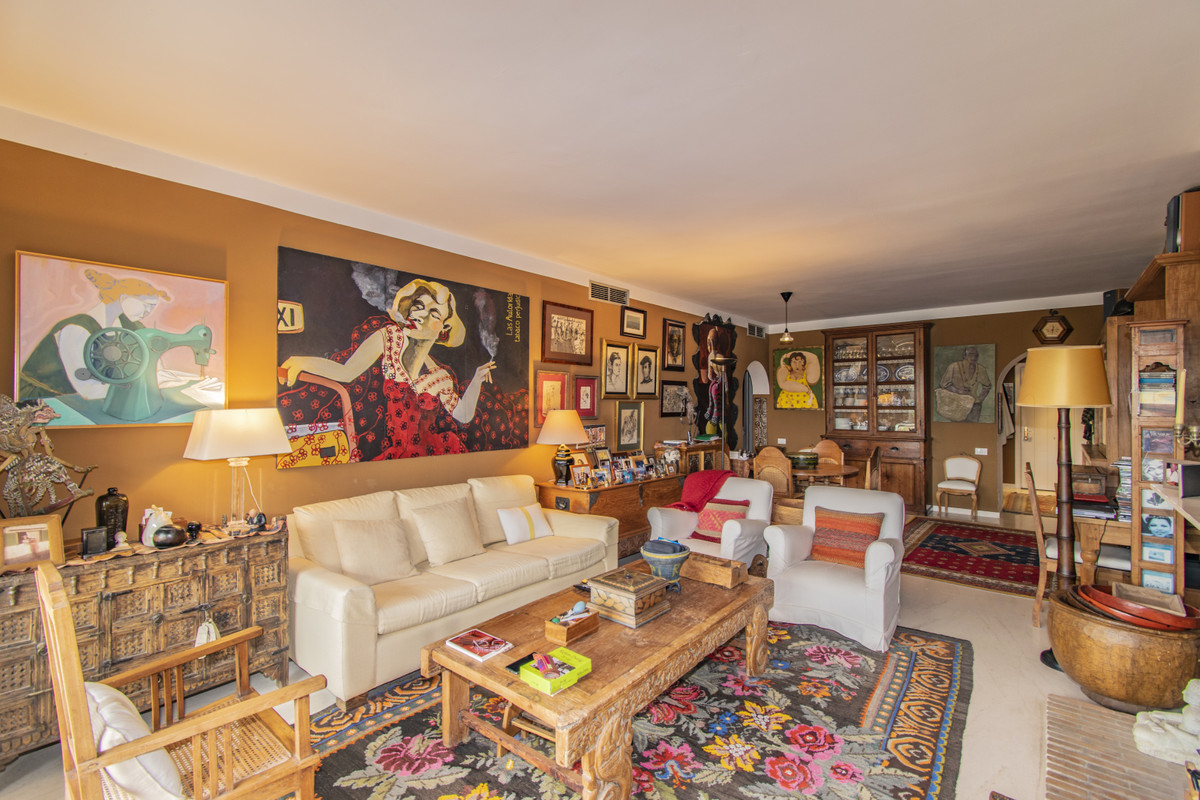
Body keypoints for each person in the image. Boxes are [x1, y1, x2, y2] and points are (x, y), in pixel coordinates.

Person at [280, 279, 495, 459]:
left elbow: (464, 415)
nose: (421, 314)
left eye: (434, 313)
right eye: (418, 305)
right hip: (395, 456)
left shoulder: (440, 377)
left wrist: (477, 379)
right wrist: (302, 362)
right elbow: (346, 372)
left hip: (433, 453)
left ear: (443, 329)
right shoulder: (390, 339)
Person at [20, 268, 172, 401]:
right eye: (146, 305)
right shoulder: (77, 328)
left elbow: (151, 361)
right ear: (124, 297)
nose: (148, 312)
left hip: (94, 397)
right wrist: (143, 385)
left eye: (152, 307)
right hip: (45, 399)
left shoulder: (130, 325)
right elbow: (88, 389)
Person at [938, 345, 992, 422]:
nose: (974, 357)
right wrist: (957, 390)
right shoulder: (954, 366)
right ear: (964, 356)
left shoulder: (981, 369)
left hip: (974, 405)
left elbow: (987, 386)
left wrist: (980, 399)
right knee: (956, 427)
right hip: (958, 404)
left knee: (974, 427)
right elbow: (944, 384)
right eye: (971, 354)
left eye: (976, 355)